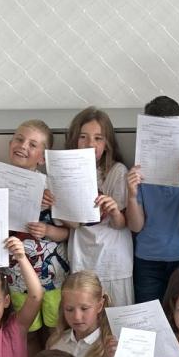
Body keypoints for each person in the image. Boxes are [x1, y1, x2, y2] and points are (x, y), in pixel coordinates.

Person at [0, 119, 69, 351]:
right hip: (15, 277)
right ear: (10, 144)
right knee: (25, 332)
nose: (23, 146)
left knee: (55, 331)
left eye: (33, 144)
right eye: (19, 139)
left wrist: (48, 229)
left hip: (52, 278)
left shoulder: (51, 187)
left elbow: (66, 233)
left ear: (42, 158)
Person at [126, 96, 179, 303]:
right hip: (147, 259)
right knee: (150, 317)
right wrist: (131, 194)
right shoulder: (138, 171)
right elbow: (136, 226)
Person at [62, 107, 134, 306]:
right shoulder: (65, 172)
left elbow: (121, 223)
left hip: (113, 260)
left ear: (107, 143)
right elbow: (72, 224)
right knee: (85, 317)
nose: (90, 144)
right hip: (82, 256)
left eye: (98, 138)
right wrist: (55, 203)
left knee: (117, 318)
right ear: (74, 140)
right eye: (83, 137)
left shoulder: (117, 171)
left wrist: (114, 210)